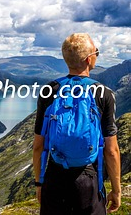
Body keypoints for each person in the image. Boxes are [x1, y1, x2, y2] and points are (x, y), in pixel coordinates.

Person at [33, 33, 121, 215]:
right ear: (89, 59)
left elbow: (38, 146)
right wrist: (116, 190)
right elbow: (111, 150)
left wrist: (39, 183)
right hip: (88, 180)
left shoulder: (49, 90)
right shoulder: (103, 94)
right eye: (97, 52)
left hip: (55, 177)